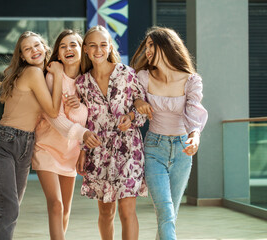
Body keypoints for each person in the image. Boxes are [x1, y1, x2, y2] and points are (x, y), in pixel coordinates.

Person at [0, 31, 63, 240]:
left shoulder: (42, 74)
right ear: (23, 56)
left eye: (36, 45)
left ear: (44, 47)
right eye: (27, 49)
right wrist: (60, 76)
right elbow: (53, 111)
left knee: (10, 210)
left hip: (25, 144)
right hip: (4, 143)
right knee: (8, 210)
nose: (33, 50)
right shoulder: (32, 73)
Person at [130, 27, 208, 240]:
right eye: (146, 46)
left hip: (183, 149)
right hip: (154, 147)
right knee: (165, 210)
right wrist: (138, 102)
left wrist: (195, 136)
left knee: (170, 214)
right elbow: (133, 100)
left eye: (152, 46)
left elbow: (194, 112)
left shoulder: (191, 80)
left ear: (167, 47)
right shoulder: (143, 77)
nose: (147, 51)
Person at [74, 25, 147, 240]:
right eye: (93, 45)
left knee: (127, 210)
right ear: (85, 49)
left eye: (103, 45)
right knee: (106, 213)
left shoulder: (127, 74)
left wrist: (131, 118)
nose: (98, 50)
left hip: (129, 148)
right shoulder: (81, 84)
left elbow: (143, 110)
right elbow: (81, 121)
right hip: (98, 152)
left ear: (110, 47)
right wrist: (83, 149)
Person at [31, 29, 93, 240]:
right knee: (56, 205)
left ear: (82, 50)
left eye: (73, 44)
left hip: (71, 152)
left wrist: (80, 108)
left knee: (66, 209)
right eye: (63, 46)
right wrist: (83, 133)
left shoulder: (88, 81)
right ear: (58, 53)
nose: (68, 49)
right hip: (46, 148)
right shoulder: (51, 77)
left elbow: (92, 118)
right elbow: (54, 117)